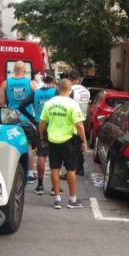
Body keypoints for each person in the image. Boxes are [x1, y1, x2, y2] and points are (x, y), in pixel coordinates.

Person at [38, 79, 88, 209]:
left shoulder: (49, 103)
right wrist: (84, 141)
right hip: (68, 141)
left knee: (55, 168)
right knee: (71, 169)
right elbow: (79, 125)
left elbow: (42, 122)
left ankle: (57, 199)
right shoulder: (73, 104)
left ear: (58, 88)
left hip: (53, 140)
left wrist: (42, 137)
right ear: (70, 90)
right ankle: (72, 200)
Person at [19, 71, 57, 195]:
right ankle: (54, 187)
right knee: (55, 158)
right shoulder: (56, 93)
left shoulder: (36, 93)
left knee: (41, 155)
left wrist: (31, 117)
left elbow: (22, 105)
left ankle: (40, 185)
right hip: (55, 126)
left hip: (39, 124)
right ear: (54, 81)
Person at [0, 61, 38, 182]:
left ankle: (9, 172)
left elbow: (1, 104)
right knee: (29, 146)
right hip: (26, 119)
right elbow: (36, 102)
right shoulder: (31, 84)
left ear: (13, 69)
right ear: (25, 70)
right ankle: (30, 174)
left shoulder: (5, 83)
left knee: (11, 145)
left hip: (11, 119)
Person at [69, 70, 90, 176]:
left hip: (73, 121)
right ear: (79, 79)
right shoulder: (86, 91)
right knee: (78, 146)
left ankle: (73, 169)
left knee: (71, 146)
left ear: (69, 79)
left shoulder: (70, 90)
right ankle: (80, 168)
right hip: (83, 119)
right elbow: (87, 105)